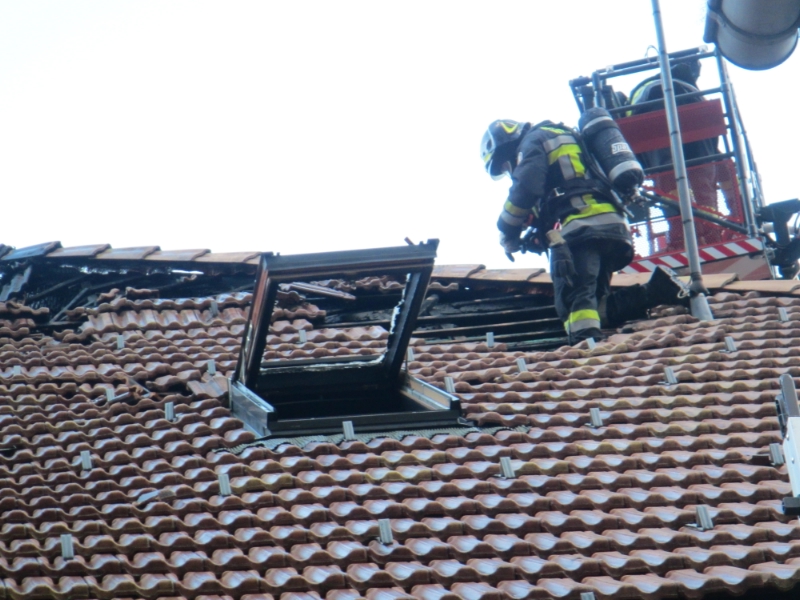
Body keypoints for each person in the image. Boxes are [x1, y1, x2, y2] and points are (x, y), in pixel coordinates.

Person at [480, 118, 689, 345]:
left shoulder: (533, 140)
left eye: (504, 165)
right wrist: (536, 235)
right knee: (595, 306)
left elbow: (526, 188)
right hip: (613, 227)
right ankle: (658, 290)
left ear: (508, 145)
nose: (508, 169)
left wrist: (507, 230)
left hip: (582, 229)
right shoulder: (566, 136)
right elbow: (566, 190)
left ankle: (587, 348)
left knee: (573, 304)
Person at [627, 58, 727, 245]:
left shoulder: (640, 93)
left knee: (667, 176)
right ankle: (709, 230)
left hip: (650, 124)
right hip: (694, 116)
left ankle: (682, 231)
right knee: (701, 173)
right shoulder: (684, 84)